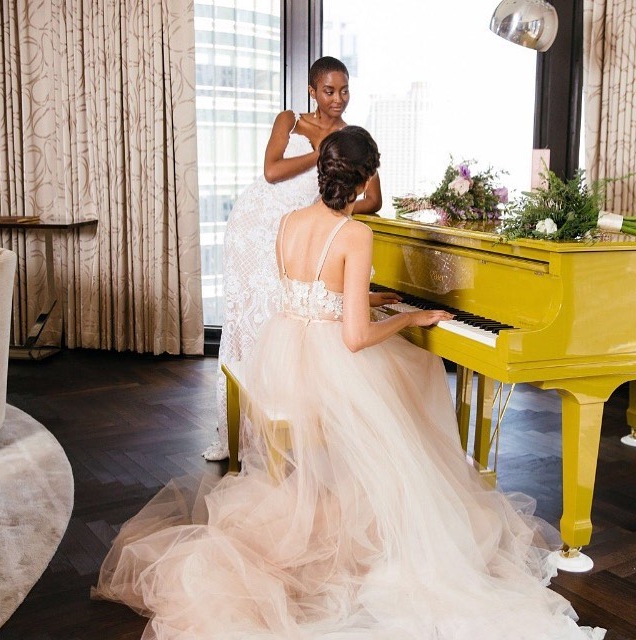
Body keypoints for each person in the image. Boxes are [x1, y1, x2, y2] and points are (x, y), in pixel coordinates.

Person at [94, 126, 605, 639]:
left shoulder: (288, 221)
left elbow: (313, 291)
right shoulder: (356, 234)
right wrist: (411, 318)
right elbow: (356, 338)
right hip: (327, 362)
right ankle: (413, 502)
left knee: (406, 374)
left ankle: (372, 498)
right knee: (420, 370)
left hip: (284, 351)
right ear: (363, 182)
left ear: (324, 171)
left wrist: (373, 298)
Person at [204, 55, 384, 461]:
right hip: (254, 230)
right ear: (311, 91)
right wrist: (321, 154)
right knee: (246, 324)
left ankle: (291, 428)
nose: (338, 99)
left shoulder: (353, 140)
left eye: (344, 90)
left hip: (303, 229)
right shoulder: (289, 120)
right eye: (329, 91)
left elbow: (373, 199)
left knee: (286, 322)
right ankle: (235, 431)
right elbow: (271, 171)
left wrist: (333, 209)